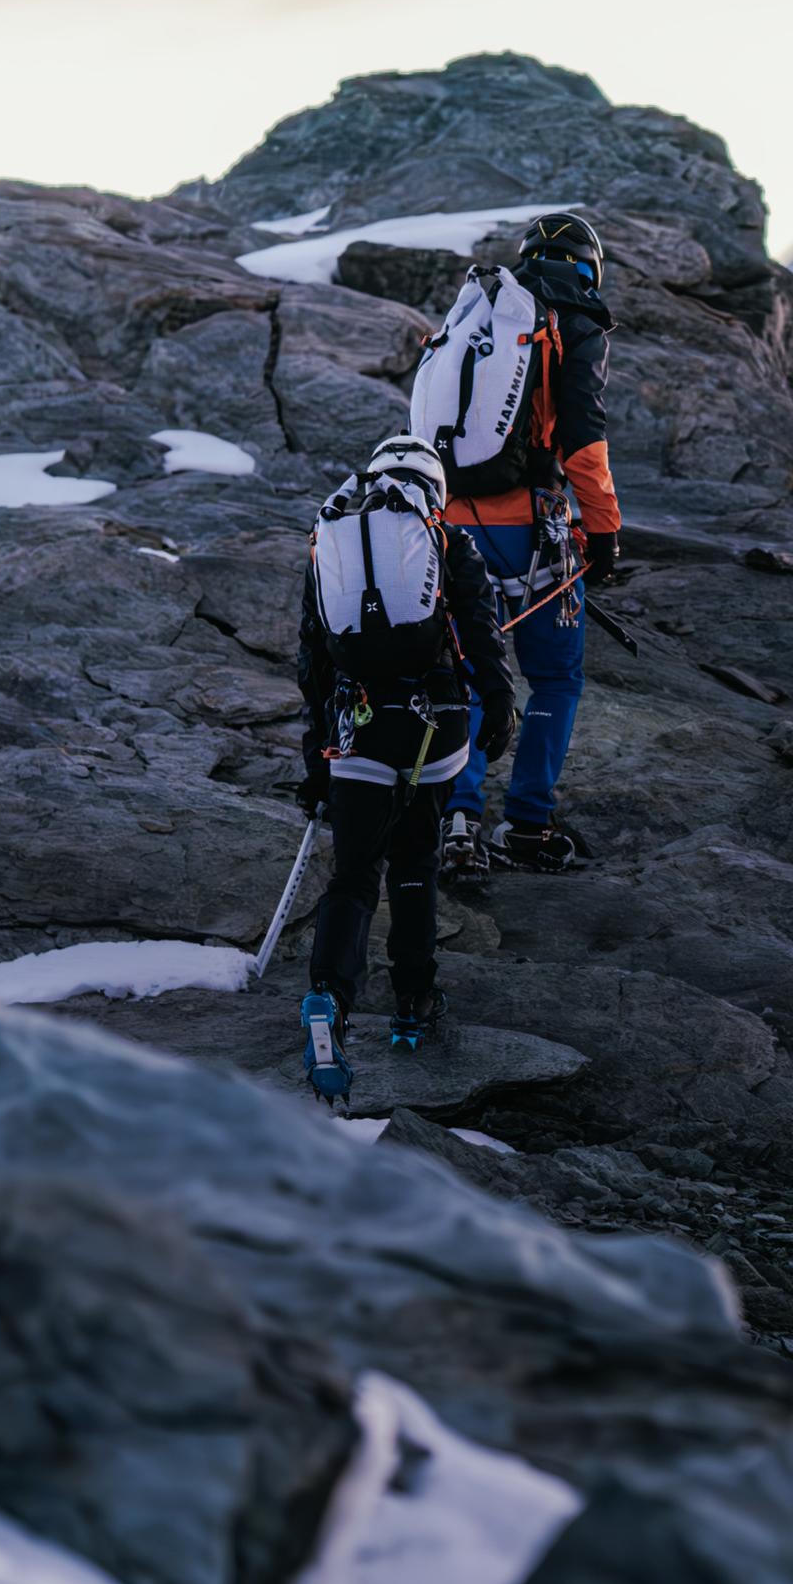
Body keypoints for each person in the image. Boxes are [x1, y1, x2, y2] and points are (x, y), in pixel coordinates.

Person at [293, 433, 518, 1104]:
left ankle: (329, 1000)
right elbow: (481, 634)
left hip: (355, 727)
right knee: (415, 863)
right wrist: (499, 711)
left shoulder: (330, 540)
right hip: (435, 723)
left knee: (356, 876)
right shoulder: (447, 542)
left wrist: (316, 766)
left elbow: (314, 666)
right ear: (434, 488)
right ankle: (413, 1001)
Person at [439, 208, 622, 876]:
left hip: (450, 524)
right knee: (550, 677)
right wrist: (604, 531)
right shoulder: (574, 322)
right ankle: (525, 825)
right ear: (588, 268)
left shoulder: (483, 312)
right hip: (531, 532)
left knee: (468, 668)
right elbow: (584, 446)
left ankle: (458, 817)